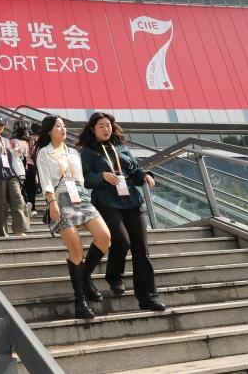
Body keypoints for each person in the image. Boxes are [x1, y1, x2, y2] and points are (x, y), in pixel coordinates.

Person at [79, 112, 166, 312]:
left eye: (108, 125)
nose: (106, 129)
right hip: (106, 200)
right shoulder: (88, 152)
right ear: (92, 129)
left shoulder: (121, 147)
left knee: (141, 248)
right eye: (101, 126)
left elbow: (134, 171)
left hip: (131, 199)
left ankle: (148, 297)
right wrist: (102, 175)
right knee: (121, 241)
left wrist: (145, 175)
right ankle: (114, 276)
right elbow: (85, 179)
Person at [35, 114, 112, 319]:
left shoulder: (73, 153)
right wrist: (51, 203)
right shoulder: (44, 153)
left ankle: (85, 277)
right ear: (49, 131)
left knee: (104, 237)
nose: (63, 129)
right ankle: (80, 300)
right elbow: (45, 181)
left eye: (63, 126)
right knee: (76, 248)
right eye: (58, 126)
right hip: (60, 199)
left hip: (80, 197)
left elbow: (80, 180)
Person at [11, 123, 38, 215]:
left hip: (23, 166)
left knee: (24, 186)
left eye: (27, 133)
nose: (27, 135)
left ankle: (28, 205)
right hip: (28, 165)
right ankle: (31, 207)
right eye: (25, 133)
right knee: (30, 187)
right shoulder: (24, 142)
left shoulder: (14, 141)